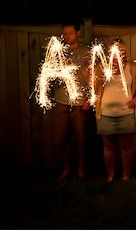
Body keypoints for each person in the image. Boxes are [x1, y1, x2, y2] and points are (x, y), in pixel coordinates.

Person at [93, 39, 136, 183]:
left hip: (126, 113)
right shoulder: (102, 68)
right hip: (105, 114)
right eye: (115, 52)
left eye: (121, 52)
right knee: (108, 146)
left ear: (125, 54)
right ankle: (110, 175)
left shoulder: (132, 69)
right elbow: (92, 86)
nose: (117, 55)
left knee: (126, 146)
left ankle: (126, 175)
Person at [53, 22, 91, 183]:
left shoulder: (87, 52)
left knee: (81, 138)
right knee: (61, 138)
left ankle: (81, 168)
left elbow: (94, 76)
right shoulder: (59, 52)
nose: (67, 36)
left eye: (70, 33)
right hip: (62, 101)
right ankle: (66, 168)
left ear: (78, 32)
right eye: (65, 34)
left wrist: (90, 98)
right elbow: (51, 74)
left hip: (80, 102)